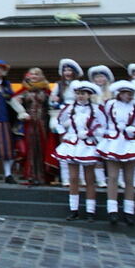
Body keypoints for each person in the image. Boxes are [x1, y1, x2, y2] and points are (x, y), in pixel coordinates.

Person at [52, 81, 105, 221]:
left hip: (88, 145)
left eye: (83, 93)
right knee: (73, 178)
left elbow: (103, 126)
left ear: (89, 95)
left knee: (89, 179)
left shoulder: (96, 109)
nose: (80, 96)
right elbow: (58, 122)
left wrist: (92, 133)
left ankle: (90, 211)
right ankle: (74, 209)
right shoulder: (69, 108)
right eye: (78, 93)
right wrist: (64, 133)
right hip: (73, 144)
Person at [98, 79, 135, 225]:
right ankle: (112, 210)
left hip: (130, 142)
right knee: (112, 177)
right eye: (126, 93)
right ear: (119, 93)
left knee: (129, 178)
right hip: (113, 142)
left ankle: (129, 211)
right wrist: (107, 134)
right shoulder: (110, 104)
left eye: (131, 93)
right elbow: (102, 122)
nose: (129, 96)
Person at [10, 68, 54, 185]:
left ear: (41, 76)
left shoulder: (46, 90)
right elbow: (13, 100)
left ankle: (42, 176)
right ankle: (30, 175)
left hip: (43, 123)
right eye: (32, 74)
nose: (34, 76)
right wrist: (21, 111)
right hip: (29, 123)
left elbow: (52, 104)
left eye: (36, 74)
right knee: (30, 148)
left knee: (42, 148)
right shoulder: (25, 90)